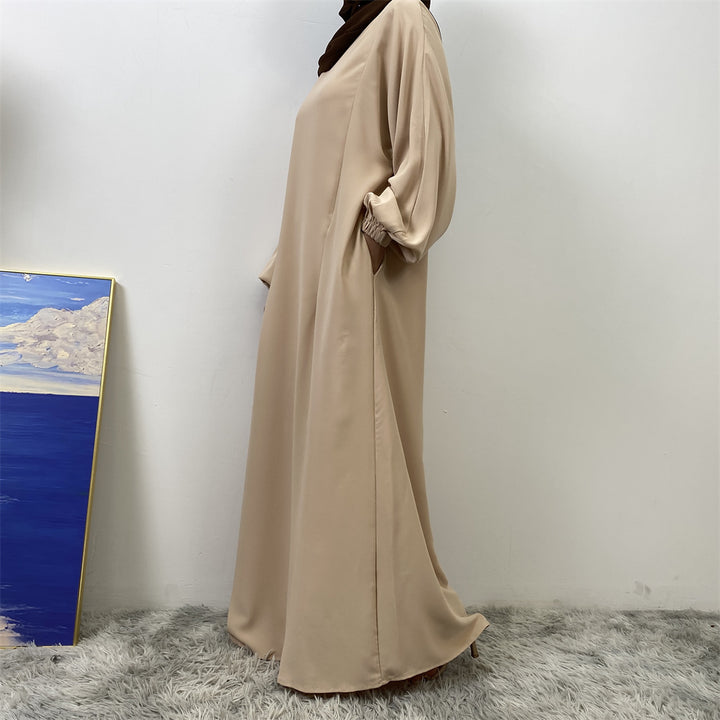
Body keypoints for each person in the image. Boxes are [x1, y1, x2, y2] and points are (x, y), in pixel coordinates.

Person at [227, 0, 490, 694]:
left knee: (353, 453)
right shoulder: (353, 38)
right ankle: (305, 621)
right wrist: (290, 267)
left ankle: (365, 644)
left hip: (356, 279)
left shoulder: (404, 19)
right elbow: (324, 175)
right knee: (317, 446)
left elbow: (426, 156)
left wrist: (370, 239)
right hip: (314, 282)